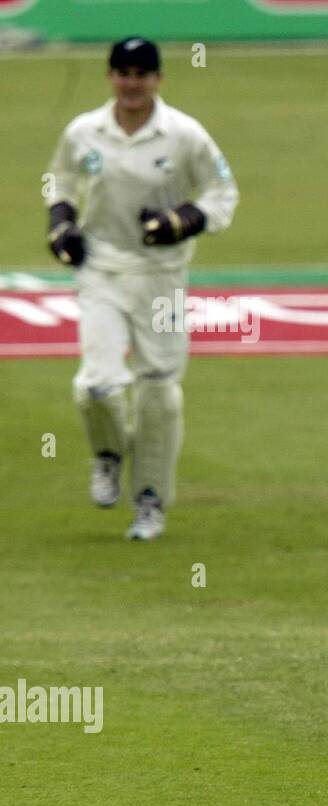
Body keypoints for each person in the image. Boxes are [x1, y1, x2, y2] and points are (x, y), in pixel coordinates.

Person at [44, 37, 239, 540]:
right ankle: (108, 454)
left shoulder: (183, 134)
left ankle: (150, 500)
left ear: (158, 79)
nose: (132, 83)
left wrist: (179, 221)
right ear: (110, 76)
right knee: (97, 385)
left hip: (161, 275)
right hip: (102, 269)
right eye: (123, 73)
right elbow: (58, 181)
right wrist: (61, 226)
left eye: (142, 73)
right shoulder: (85, 131)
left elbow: (223, 193)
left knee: (159, 391)